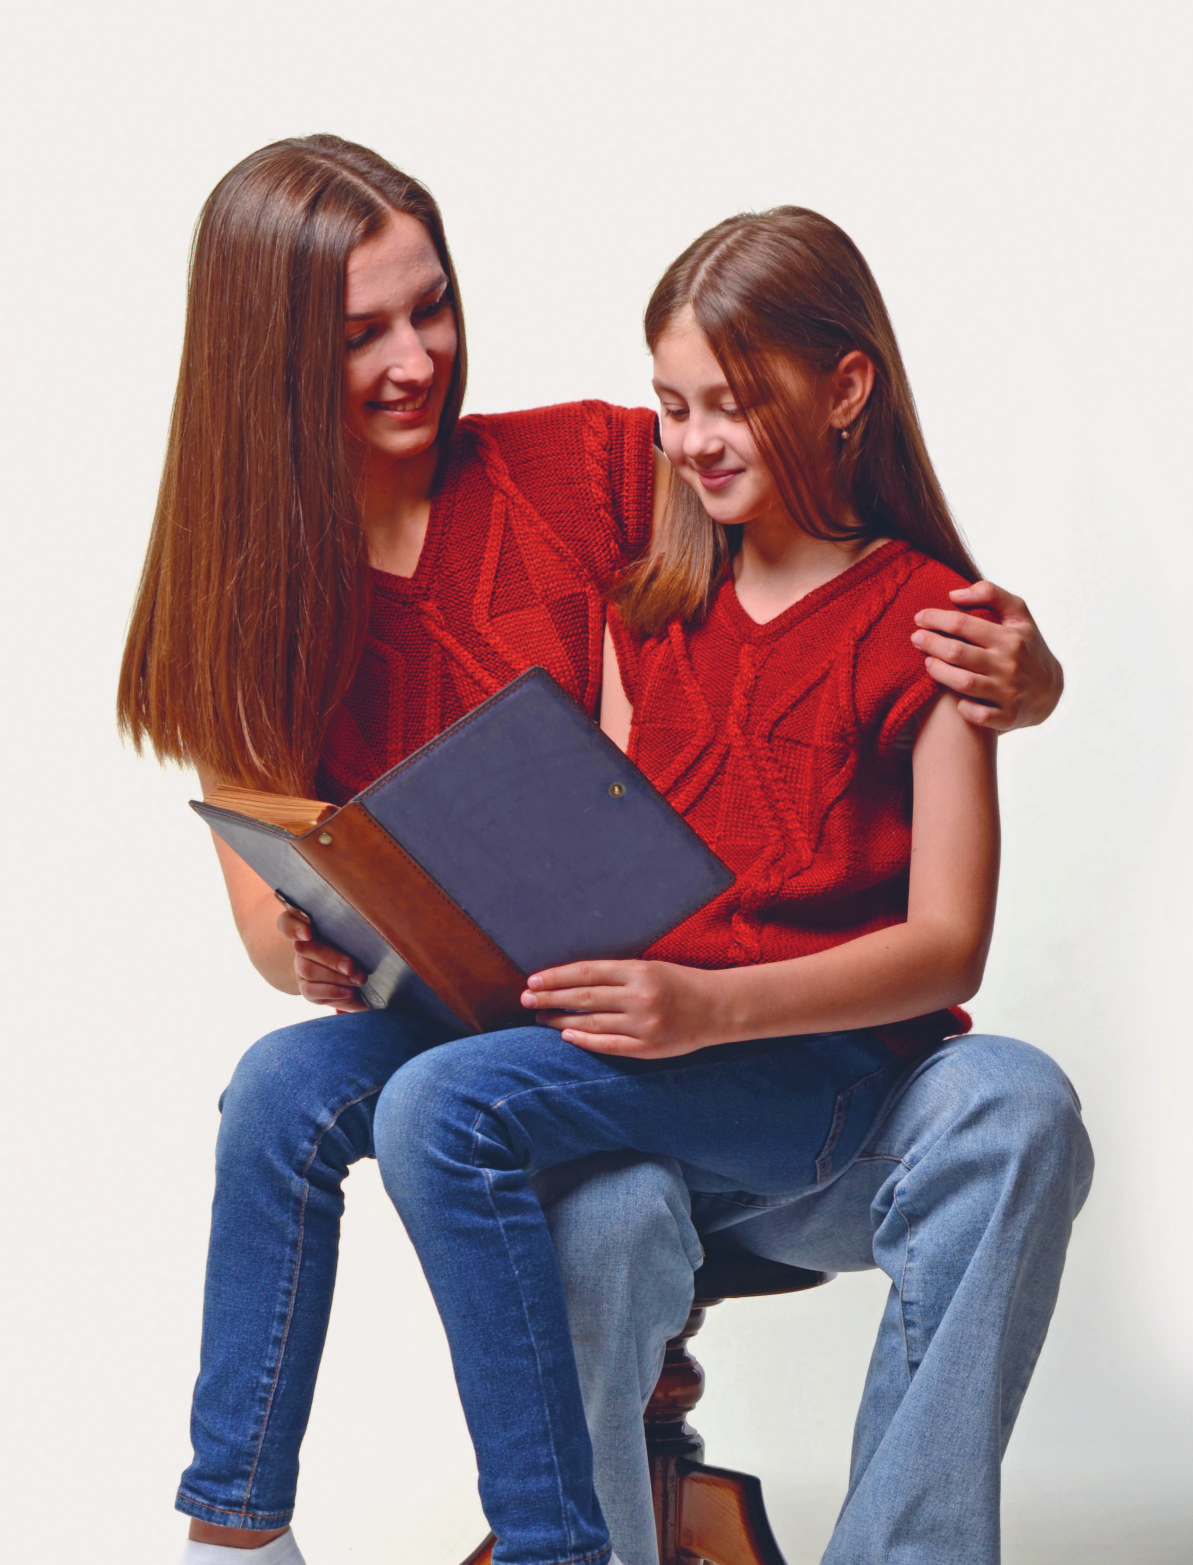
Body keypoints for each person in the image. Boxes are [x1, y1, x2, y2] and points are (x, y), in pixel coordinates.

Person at [115, 136, 1065, 1564]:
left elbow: (809, 537)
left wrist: (1019, 682)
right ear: (269, 358)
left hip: (666, 1017)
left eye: (432, 306)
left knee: (982, 1102)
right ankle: (238, 1533)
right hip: (472, 1013)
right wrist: (313, 941)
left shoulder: (607, 464)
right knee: (277, 1091)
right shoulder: (241, 598)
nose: (418, 359)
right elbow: (268, 918)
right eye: (362, 332)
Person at [371, 208, 1094, 1565]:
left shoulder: (936, 625)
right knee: (595, 1206)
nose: (695, 439)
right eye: (672, 405)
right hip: (663, 1118)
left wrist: (707, 1007)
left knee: (1017, 1101)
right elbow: (593, 872)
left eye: (734, 404)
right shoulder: (649, 601)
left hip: (836, 1099)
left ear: (846, 388)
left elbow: (949, 948)